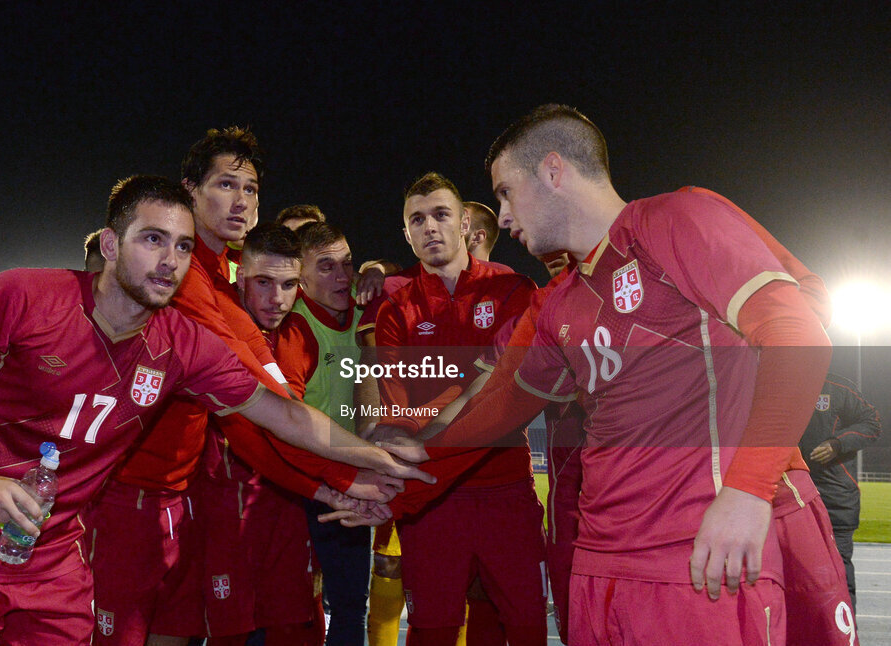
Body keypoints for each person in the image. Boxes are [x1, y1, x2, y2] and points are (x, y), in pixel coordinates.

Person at [336, 105, 835, 644]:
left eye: (505, 192)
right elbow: (492, 411)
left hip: (694, 559)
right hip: (597, 563)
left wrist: (749, 491)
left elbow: (798, 331)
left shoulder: (675, 219)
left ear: (553, 172)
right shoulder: (556, 304)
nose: (500, 218)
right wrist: (397, 479)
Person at [0, 175, 425, 646]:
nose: (170, 260)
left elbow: (282, 414)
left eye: (184, 247)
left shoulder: (185, 342)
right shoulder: (26, 295)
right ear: (110, 244)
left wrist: (376, 460)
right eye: (152, 239)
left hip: (56, 558)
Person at [86, 130, 400, 646]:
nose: (241, 201)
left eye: (250, 189)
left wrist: (380, 269)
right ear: (190, 189)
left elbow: (259, 403)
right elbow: (256, 409)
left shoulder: (222, 281)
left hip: (181, 496)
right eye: (226, 184)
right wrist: (345, 475)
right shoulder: (185, 281)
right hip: (131, 492)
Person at [372, 173, 548, 646]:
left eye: (440, 214)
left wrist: (440, 407)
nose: (429, 226)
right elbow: (396, 411)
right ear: (406, 234)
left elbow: (511, 395)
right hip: (431, 500)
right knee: (432, 631)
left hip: (503, 489)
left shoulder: (513, 290)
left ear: (464, 222)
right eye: (417, 219)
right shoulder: (396, 311)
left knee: (526, 626)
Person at [195, 222, 324, 646]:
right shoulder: (212, 320)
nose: (277, 298)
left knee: (295, 628)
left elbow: (289, 426)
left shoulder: (300, 335)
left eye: (289, 285)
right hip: (221, 505)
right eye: (263, 282)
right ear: (240, 275)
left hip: (287, 505)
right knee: (227, 632)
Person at [273, 220, 373, 645]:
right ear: (302, 278)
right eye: (327, 266)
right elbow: (285, 422)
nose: (343, 276)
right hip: (304, 487)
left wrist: (380, 269)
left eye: (348, 263)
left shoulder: (365, 309)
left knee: (352, 606)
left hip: (353, 481)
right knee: (288, 605)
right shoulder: (294, 330)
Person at [799, 372, 882, 609]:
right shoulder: (777, 382)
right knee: (793, 576)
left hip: (834, 498)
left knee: (838, 575)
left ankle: (845, 636)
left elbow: (872, 423)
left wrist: (838, 444)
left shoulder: (837, 386)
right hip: (787, 497)